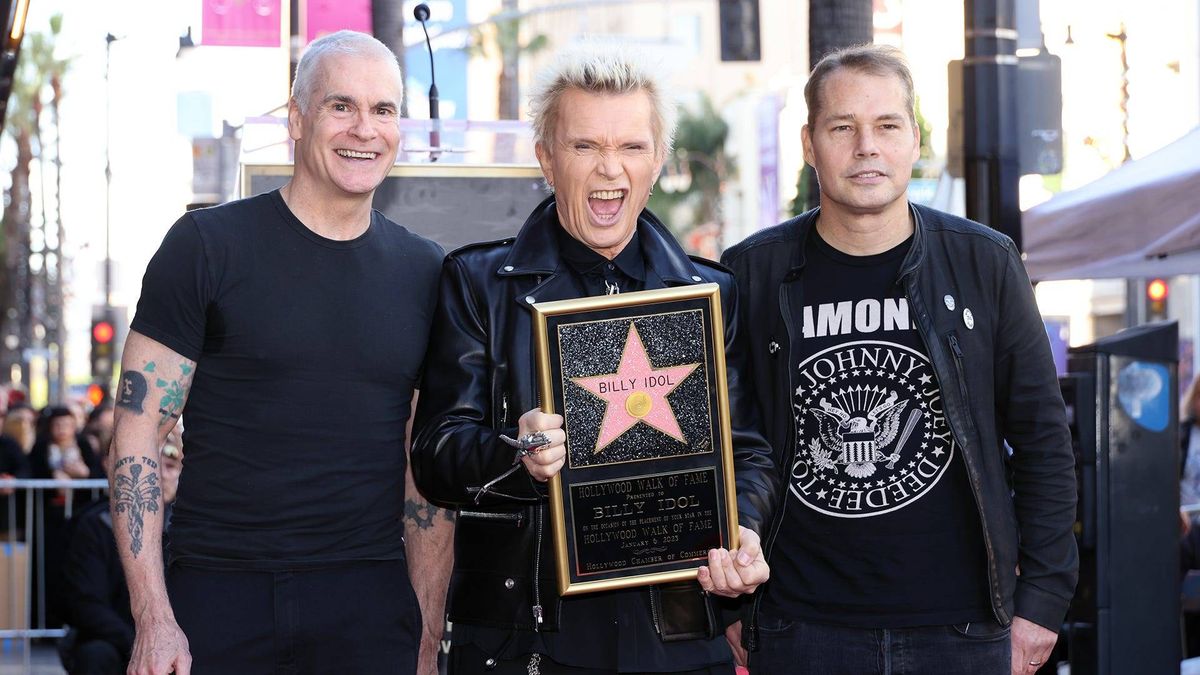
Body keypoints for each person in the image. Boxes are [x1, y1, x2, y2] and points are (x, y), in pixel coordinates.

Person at [411, 42, 777, 674]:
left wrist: (741, 528)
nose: (610, 168)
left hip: (676, 638)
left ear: (658, 160)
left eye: (631, 146)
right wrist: (517, 454)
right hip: (527, 641)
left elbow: (747, 452)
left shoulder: (712, 294)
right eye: (585, 146)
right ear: (547, 159)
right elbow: (435, 453)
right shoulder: (477, 283)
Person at [719, 44, 1078, 675]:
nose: (866, 147)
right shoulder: (750, 273)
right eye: (842, 127)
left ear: (914, 140)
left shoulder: (985, 262)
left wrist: (1042, 603)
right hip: (800, 627)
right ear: (809, 145)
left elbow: (1043, 439)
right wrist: (730, 609)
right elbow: (725, 445)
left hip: (962, 627)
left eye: (887, 125)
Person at [110, 30, 451, 675]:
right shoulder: (206, 246)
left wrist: (427, 637)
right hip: (219, 593)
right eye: (341, 106)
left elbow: (423, 472)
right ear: (297, 120)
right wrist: (153, 617)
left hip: (368, 601)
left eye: (383, 110)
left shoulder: (426, 271)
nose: (365, 129)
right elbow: (137, 433)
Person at [60, 429, 183, 675]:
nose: (160, 474)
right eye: (151, 465)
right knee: (96, 655)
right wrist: (138, 642)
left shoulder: (186, 530)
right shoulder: (96, 524)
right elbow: (85, 603)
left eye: (170, 466)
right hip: (115, 642)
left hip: (175, 642)